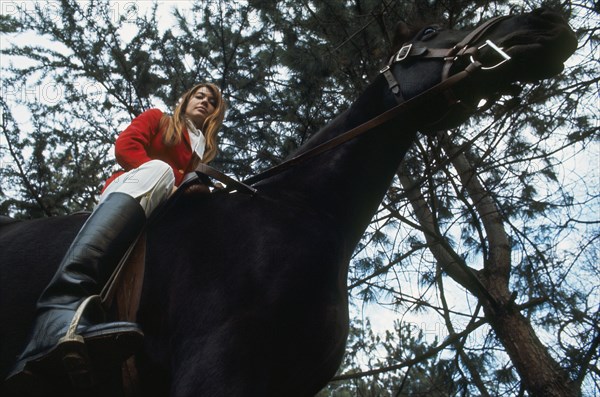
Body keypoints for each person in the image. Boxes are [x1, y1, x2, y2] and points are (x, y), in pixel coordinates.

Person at [6, 83, 227, 386]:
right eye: (199, 95)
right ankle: (59, 306)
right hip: (131, 188)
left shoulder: (200, 149)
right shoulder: (157, 118)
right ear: (185, 100)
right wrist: (176, 184)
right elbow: (125, 148)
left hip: (158, 213)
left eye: (212, 100)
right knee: (159, 170)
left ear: (216, 113)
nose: (204, 101)